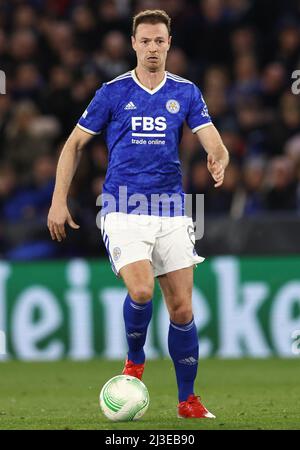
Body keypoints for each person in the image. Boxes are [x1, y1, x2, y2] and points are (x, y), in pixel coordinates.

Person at [47, 9, 229, 419]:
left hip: (172, 210)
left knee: (182, 309)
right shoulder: (112, 92)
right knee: (142, 290)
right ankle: (134, 362)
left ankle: (187, 400)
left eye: (159, 41)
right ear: (133, 44)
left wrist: (219, 157)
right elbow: (74, 144)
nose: (152, 48)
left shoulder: (185, 91)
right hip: (122, 207)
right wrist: (59, 199)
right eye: (144, 41)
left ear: (169, 44)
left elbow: (212, 139)